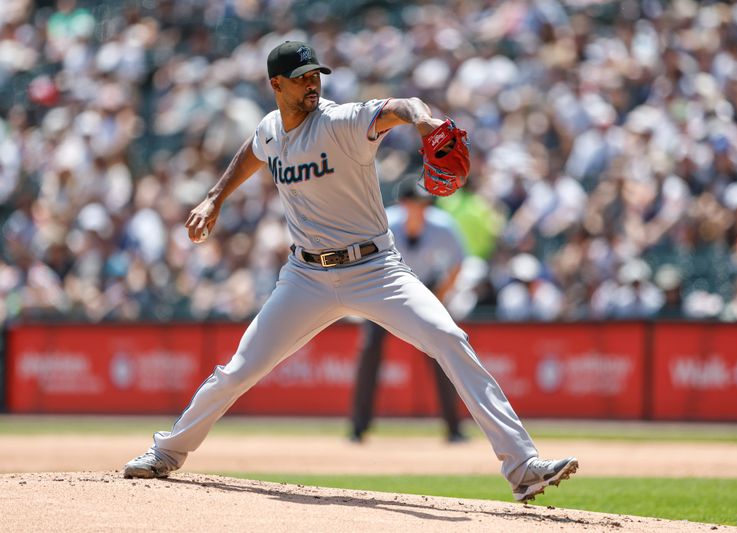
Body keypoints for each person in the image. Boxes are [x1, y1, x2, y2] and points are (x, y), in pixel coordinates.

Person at [123, 41, 578, 503]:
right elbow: (255, 148)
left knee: (449, 338)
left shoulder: (341, 121)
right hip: (305, 278)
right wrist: (215, 197)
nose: (312, 83)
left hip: (375, 268)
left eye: (315, 75)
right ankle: (168, 451)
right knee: (239, 369)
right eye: (301, 77)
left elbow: (400, 106)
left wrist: (425, 121)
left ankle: (521, 465)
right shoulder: (270, 130)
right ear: (275, 85)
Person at [350, 179, 467, 444]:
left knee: (444, 350)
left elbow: (458, 264)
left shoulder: (442, 225)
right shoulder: (385, 222)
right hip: (384, 290)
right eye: (416, 203)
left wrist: (437, 297)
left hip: (424, 288)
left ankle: (454, 429)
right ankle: (358, 428)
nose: (421, 208)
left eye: (425, 203)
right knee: (369, 349)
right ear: (403, 203)